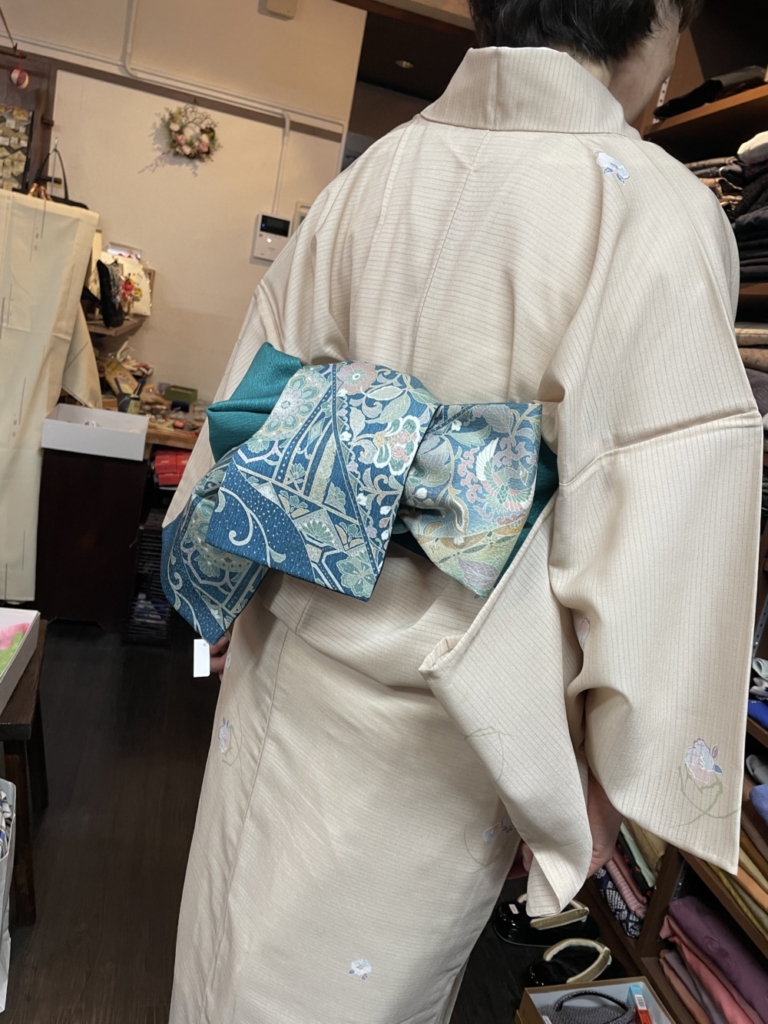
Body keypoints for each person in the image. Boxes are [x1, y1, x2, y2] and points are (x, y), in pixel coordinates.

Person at [166, 1, 762, 1020]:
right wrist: (598, 784)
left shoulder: (370, 177)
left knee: (225, 963)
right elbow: (663, 522)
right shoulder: (653, 210)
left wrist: (207, 607)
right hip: (449, 719)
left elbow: (245, 425)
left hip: (284, 663)